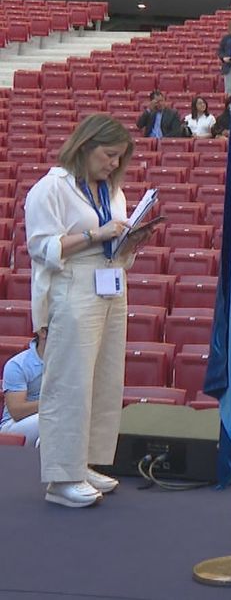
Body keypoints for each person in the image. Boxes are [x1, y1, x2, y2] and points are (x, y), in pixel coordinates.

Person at [26, 115, 159, 507]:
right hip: (73, 286)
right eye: (109, 155)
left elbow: (112, 242)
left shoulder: (112, 191)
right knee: (70, 383)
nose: (114, 164)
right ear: (85, 146)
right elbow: (41, 248)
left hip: (112, 283)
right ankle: (60, 477)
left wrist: (129, 243)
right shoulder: (51, 188)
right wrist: (94, 235)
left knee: (103, 379)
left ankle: (83, 462)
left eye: (120, 158)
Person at [0, 334, 44, 446]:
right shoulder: (18, 364)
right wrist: (53, 403)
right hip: (14, 425)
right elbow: (17, 411)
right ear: (43, 332)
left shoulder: (69, 364)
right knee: (54, 417)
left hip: (48, 417)